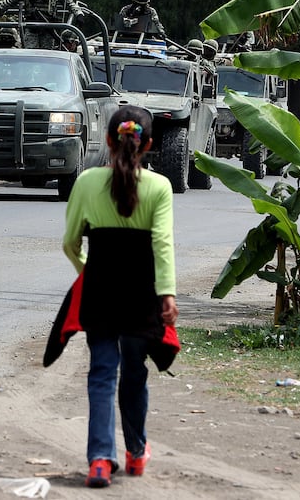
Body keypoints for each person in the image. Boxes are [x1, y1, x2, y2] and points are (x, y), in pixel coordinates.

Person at [59, 105, 178, 488]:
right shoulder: (159, 187)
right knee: (134, 373)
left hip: (100, 293)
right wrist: (167, 293)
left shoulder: (86, 182)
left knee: (101, 373)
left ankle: (98, 460)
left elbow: (70, 242)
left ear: (108, 140)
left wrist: (87, 272)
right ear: (149, 145)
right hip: (142, 295)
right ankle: (136, 453)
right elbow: (161, 243)